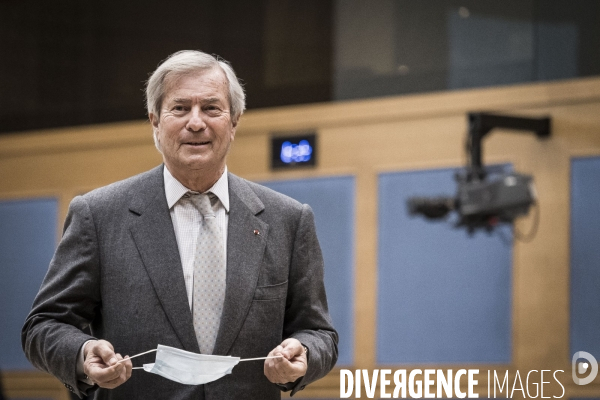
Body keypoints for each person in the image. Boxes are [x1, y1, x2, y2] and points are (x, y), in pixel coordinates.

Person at [22, 50, 338, 399]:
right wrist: (82, 354)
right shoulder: (98, 215)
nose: (196, 122)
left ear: (234, 123)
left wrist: (303, 354)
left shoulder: (288, 220)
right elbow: (44, 326)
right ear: (155, 122)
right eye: (180, 107)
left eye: (212, 108)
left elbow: (319, 333)